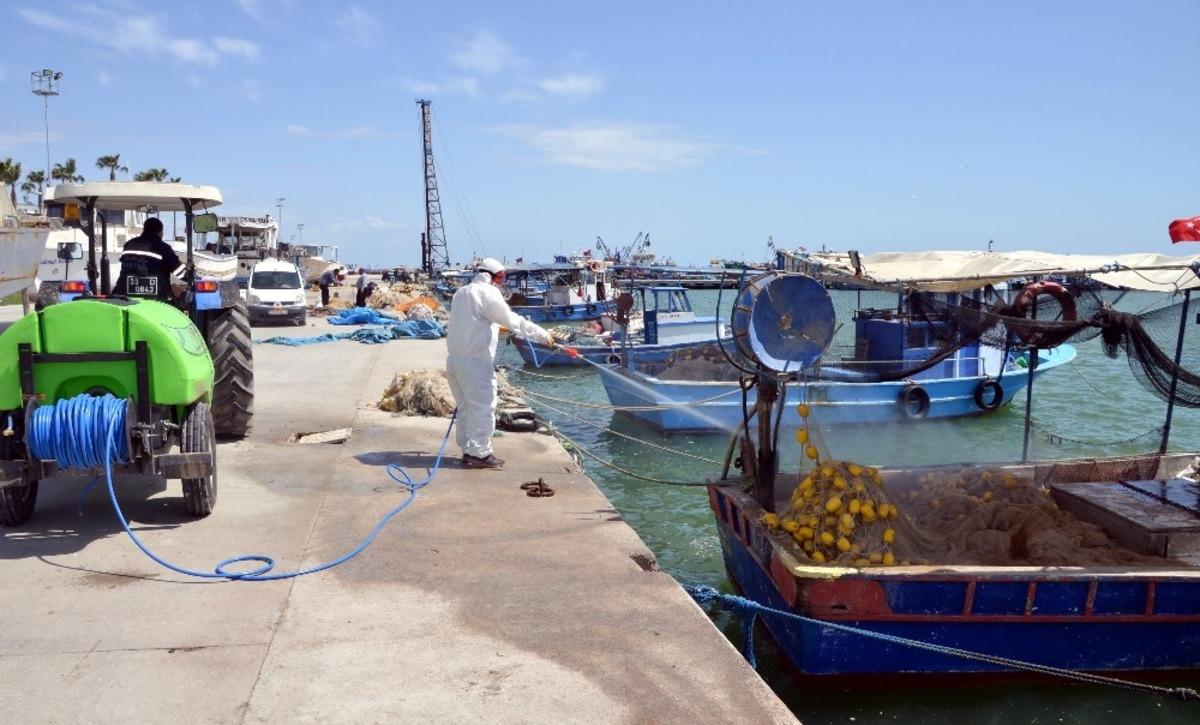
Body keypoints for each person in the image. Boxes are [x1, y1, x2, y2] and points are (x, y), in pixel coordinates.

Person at [447, 258, 555, 469]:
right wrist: (543, 335)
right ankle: (480, 454)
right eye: (500, 277)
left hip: (454, 360)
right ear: (489, 275)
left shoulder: (461, 292)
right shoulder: (487, 292)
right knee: (483, 407)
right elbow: (512, 320)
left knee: (466, 408)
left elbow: (473, 321)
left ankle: (468, 450)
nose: (502, 282)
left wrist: (496, 327)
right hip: (475, 362)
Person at [112, 217, 182, 300]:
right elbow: (179, 271)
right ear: (160, 232)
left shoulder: (128, 245)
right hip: (157, 297)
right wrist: (190, 274)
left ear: (144, 229)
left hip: (124, 296)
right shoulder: (162, 248)